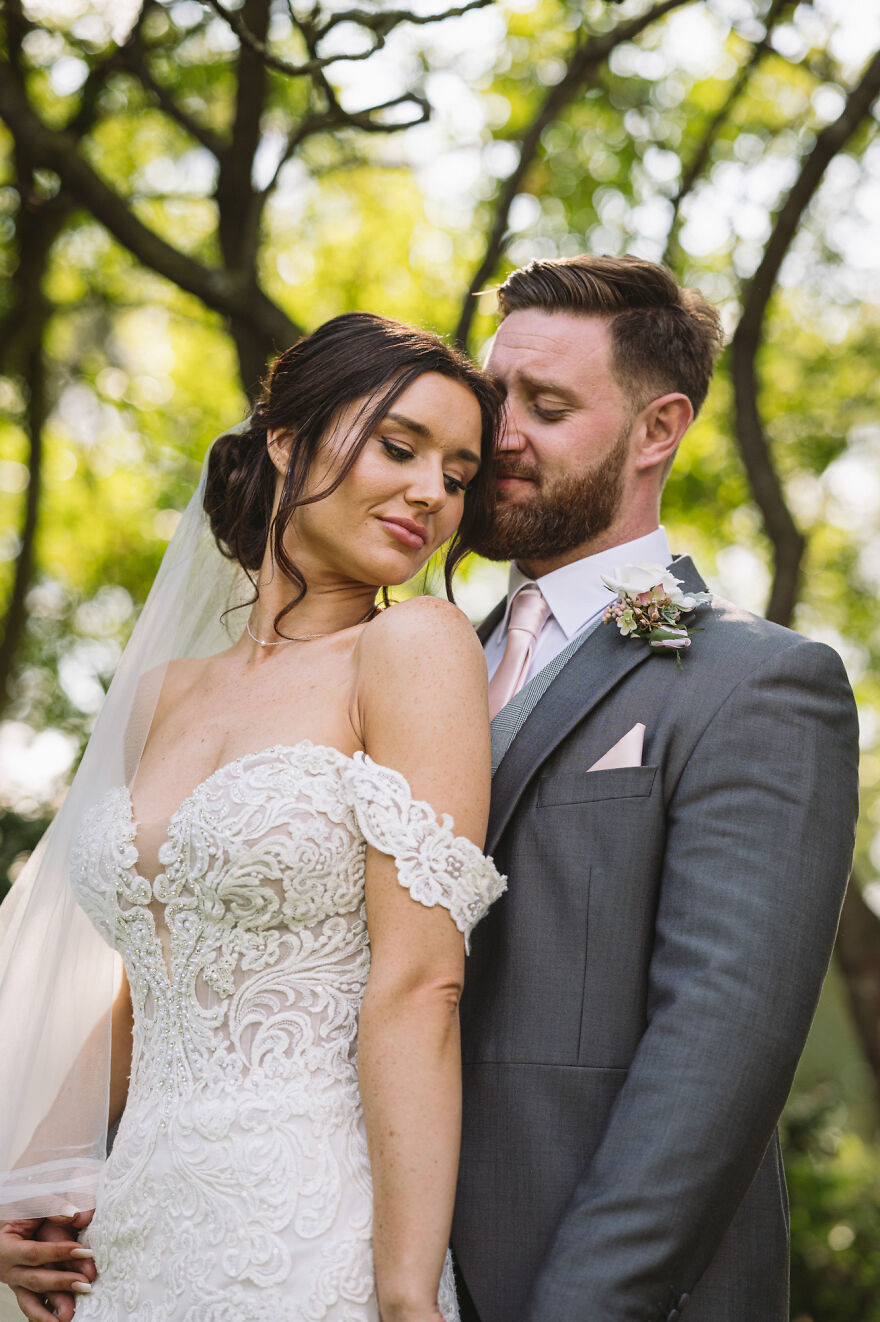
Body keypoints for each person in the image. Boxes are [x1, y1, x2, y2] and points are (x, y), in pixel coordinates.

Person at [0, 312, 507, 1322]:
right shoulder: (161, 695)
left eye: (456, 474)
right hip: (135, 1229)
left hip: (311, 1225)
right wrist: (25, 1200)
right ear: (287, 439)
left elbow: (420, 983)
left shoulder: (411, 646)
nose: (429, 493)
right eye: (399, 446)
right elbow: (150, 983)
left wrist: (407, 1293)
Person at [450, 254, 860, 1322]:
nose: (499, 431)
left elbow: (716, 1049)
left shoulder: (755, 682)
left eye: (546, 404)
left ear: (656, 428)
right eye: (494, 393)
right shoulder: (422, 663)